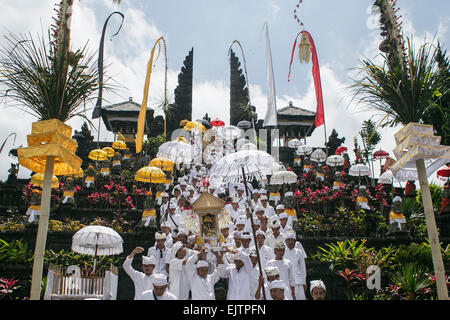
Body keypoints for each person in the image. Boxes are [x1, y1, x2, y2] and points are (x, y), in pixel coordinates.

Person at [284, 231, 307, 300]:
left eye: (292, 240)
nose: (290, 242)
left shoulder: (299, 252)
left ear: (294, 241)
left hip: (298, 281)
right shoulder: (283, 251)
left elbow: (303, 268)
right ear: (286, 241)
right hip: (287, 282)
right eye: (288, 240)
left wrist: (304, 282)